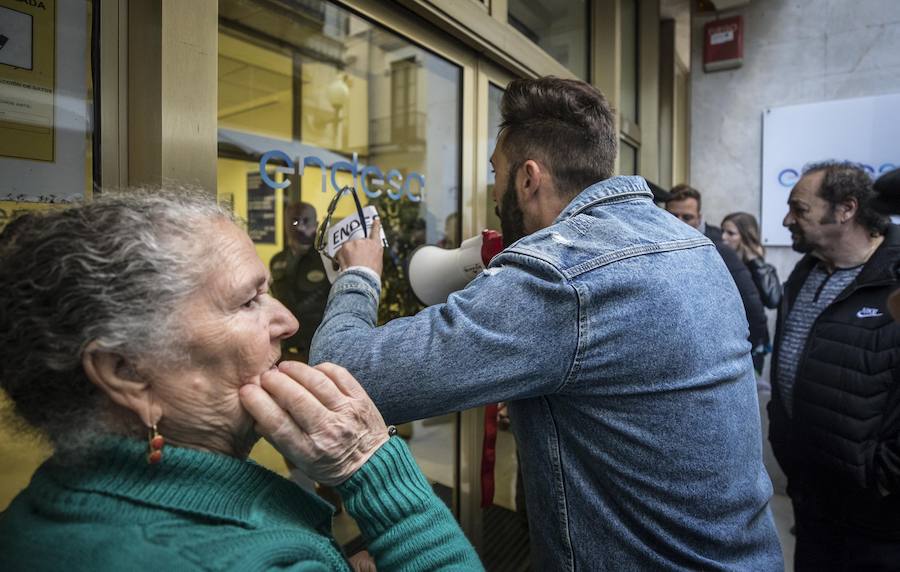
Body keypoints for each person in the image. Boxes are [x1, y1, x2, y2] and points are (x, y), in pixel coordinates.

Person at [310, 77, 782, 570]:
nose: (494, 191)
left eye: (495, 171)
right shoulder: (689, 244)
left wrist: (359, 273)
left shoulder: (561, 278)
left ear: (528, 178)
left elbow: (342, 371)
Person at [0, 193, 482, 571]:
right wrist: (370, 466)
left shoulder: (52, 502)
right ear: (126, 372)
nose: (288, 323)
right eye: (247, 302)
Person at [769, 161, 900, 571]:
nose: (788, 219)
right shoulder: (804, 274)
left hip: (878, 523)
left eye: (800, 209)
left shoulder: (895, 279)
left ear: (846, 209)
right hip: (812, 501)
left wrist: (883, 478)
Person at [665, 187, 770, 374]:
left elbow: (752, 305)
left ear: (699, 217)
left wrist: (744, 353)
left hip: (722, 358)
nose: (678, 222)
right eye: (672, 215)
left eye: (687, 217)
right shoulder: (659, 242)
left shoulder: (718, 247)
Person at [270, 201, 331, 362]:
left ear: (316, 225)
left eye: (306, 221)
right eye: (294, 221)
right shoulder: (277, 260)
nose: (299, 227)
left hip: (316, 349)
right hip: (282, 349)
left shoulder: (327, 262)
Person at [721, 212, 782, 308]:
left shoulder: (760, 268)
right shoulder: (720, 263)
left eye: (731, 233)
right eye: (722, 231)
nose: (723, 237)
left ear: (746, 237)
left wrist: (755, 260)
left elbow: (773, 300)